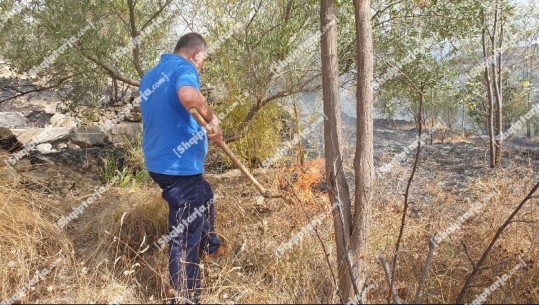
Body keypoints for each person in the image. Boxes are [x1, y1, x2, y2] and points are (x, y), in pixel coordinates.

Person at [140, 32, 227, 304]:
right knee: (184, 238)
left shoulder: (152, 74)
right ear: (197, 54)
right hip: (178, 169)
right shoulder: (184, 68)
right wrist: (213, 121)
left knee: (206, 193)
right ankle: (186, 298)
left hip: (160, 164)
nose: (201, 66)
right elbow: (188, 95)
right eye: (203, 61)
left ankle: (210, 245)